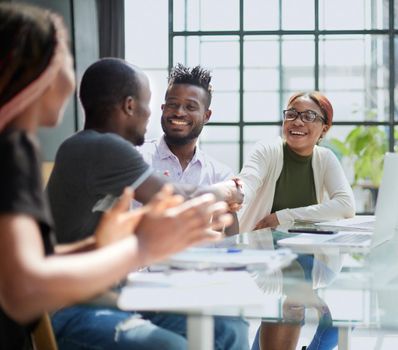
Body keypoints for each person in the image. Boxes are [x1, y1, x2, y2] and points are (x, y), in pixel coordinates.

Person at [0, 4, 230, 350]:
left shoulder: (22, 148)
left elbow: (31, 264)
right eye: (65, 59)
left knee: (225, 329)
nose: (73, 78)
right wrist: (140, 247)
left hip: (96, 293)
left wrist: (100, 244)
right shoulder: (18, 152)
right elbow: (22, 290)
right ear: (39, 74)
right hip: (69, 305)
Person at [46, 57, 248, 349]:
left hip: (113, 294)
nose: (152, 113)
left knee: (227, 329)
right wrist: (226, 191)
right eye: (150, 104)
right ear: (130, 106)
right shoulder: (102, 147)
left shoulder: (94, 147)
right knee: (172, 346)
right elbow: (176, 196)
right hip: (73, 307)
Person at [138, 63, 240, 235]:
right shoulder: (137, 156)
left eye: (190, 107)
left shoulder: (220, 175)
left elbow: (231, 242)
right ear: (163, 109)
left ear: (206, 116)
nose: (179, 112)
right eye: (172, 104)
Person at [238, 91, 356, 233]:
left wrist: (282, 217)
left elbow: (346, 206)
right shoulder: (266, 150)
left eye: (308, 116)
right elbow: (248, 182)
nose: (297, 122)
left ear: (324, 130)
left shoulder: (325, 158)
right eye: (291, 114)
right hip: (259, 249)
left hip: (307, 249)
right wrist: (235, 192)